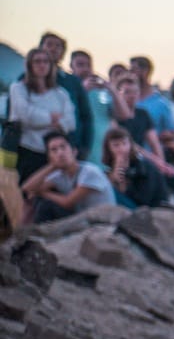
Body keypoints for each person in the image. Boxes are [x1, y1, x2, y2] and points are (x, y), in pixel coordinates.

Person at [8, 48, 74, 183]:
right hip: (27, 150)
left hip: (54, 154)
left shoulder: (61, 94)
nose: (42, 65)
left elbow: (70, 122)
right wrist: (51, 118)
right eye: (37, 61)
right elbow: (24, 115)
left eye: (45, 62)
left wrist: (56, 122)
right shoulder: (19, 88)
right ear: (29, 65)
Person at [21, 130, 116, 222]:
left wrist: (42, 192)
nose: (60, 153)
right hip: (82, 220)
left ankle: (35, 236)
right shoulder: (59, 175)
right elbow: (27, 188)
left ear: (74, 152)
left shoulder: (90, 172)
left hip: (102, 222)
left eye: (63, 147)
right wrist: (51, 167)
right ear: (49, 157)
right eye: (54, 150)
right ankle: (28, 233)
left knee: (47, 204)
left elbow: (68, 203)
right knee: (37, 201)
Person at [39, 32, 92, 160]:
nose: (53, 49)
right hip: (35, 148)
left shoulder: (72, 82)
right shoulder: (26, 80)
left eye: (58, 46)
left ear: (63, 54)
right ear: (40, 49)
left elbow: (85, 116)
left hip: (70, 148)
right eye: (49, 44)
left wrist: (85, 146)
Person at [101, 127, 168, 208]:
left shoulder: (143, 166)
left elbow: (143, 199)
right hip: (132, 205)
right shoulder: (109, 169)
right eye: (116, 145)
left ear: (130, 144)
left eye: (124, 143)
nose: (121, 149)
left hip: (149, 208)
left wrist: (122, 183)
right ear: (109, 148)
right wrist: (114, 175)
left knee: (111, 192)